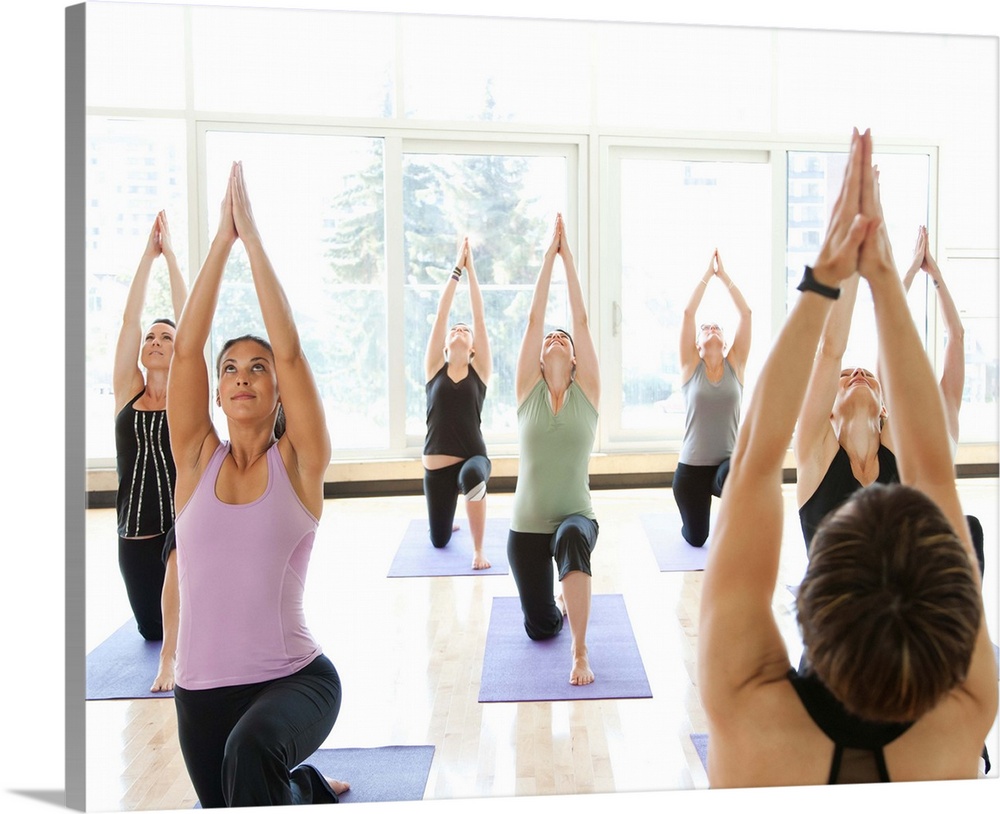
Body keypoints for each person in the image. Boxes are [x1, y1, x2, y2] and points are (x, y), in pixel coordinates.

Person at [698, 128, 997, 787]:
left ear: (802, 600)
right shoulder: (962, 727)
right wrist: (884, 278)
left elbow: (750, 461)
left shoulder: (748, 717)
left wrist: (832, 277)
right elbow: (933, 468)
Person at [166, 161, 348, 807]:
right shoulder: (194, 462)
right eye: (232, 368)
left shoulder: (299, 465)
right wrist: (220, 242)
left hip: (295, 681)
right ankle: (303, 785)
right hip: (200, 690)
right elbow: (184, 352)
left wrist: (254, 241)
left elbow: (293, 349)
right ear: (216, 390)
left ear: (277, 391)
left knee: (250, 754)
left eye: (258, 369)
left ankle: (290, 775)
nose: (243, 376)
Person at [796, 214, 985, 577]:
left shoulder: (897, 449)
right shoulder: (814, 451)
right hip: (843, 614)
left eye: (866, 373)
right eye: (847, 375)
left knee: (968, 527)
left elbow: (904, 348)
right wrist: (856, 254)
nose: (859, 373)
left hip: (894, 602)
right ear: (829, 413)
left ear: (885, 407)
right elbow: (831, 350)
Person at [507, 213, 601, 686]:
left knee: (570, 540)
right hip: (524, 527)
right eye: (550, 339)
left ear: (575, 357)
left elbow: (579, 318)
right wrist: (547, 257)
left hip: (575, 517)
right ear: (540, 359)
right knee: (539, 629)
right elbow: (533, 320)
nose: (555, 336)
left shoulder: (589, 393)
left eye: (563, 337)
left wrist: (569, 263)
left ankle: (581, 652)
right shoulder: (527, 391)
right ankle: (560, 605)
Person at [113, 210, 187, 644]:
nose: (155, 341)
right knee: (151, 631)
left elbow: (190, 317)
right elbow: (129, 321)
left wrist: (172, 257)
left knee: (185, 628)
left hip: (181, 529)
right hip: (133, 531)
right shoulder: (127, 391)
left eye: (166, 337)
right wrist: (147, 257)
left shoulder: (185, 395)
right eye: (151, 338)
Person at [422, 237, 493, 570]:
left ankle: (479, 550)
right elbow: (441, 314)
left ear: (474, 347)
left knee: (474, 477)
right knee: (439, 540)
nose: (459, 329)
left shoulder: (479, 371)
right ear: (447, 344)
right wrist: (455, 270)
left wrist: (472, 270)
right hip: (436, 467)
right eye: (455, 329)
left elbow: (478, 317)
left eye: (465, 330)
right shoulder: (434, 369)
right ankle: (446, 514)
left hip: (472, 457)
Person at [673, 250, 751, 547]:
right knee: (697, 539)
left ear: (726, 342)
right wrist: (708, 275)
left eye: (717, 326)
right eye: (706, 328)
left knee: (738, 472)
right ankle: (690, 525)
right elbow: (688, 314)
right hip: (690, 471)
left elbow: (746, 315)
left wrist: (725, 277)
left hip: (726, 466)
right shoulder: (690, 368)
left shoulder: (736, 366)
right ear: (697, 345)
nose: (711, 328)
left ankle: (737, 527)